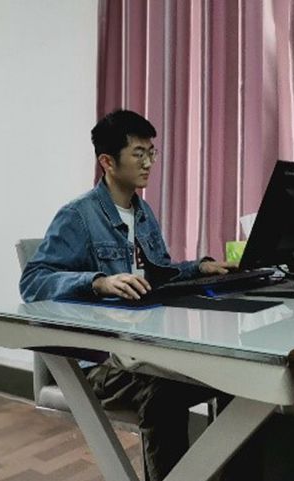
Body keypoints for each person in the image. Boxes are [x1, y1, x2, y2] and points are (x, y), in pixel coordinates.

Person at [20, 109, 235, 481]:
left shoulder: (143, 211)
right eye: (139, 153)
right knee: (164, 394)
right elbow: (33, 282)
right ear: (107, 161)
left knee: (234, 379)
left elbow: (158, 273)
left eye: (152, 152)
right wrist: (98, 282)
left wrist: (199, 268)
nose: (149, 163)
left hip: (142, 349)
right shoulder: (78, 216)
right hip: (99, 361)